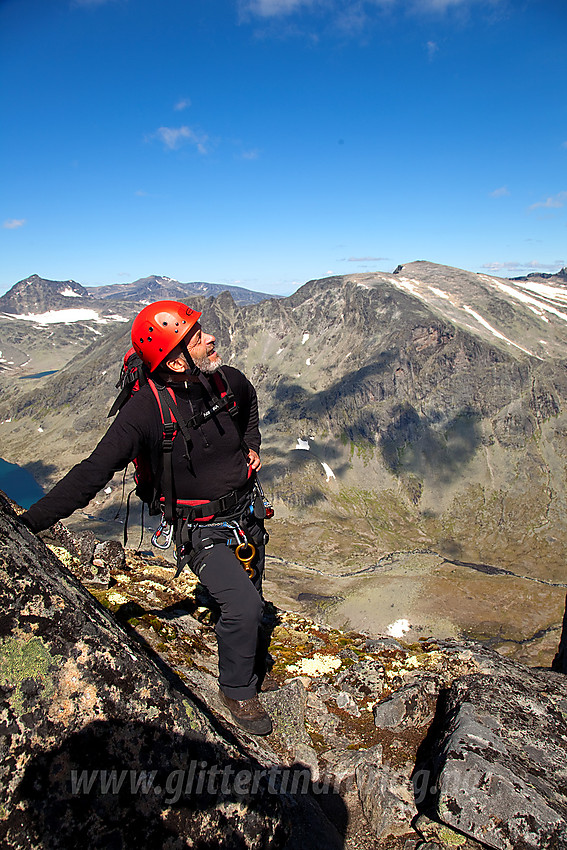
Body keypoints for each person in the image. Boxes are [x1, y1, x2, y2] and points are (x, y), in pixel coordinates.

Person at [21, 300, 273, 736]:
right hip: (203, 531)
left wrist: (252, 442)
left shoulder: (223, 381)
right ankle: (236, 689)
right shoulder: (144, 411)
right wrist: (27, 526)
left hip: (247, 514)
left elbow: (249, 402)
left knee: (249, 591)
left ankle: (221, 609)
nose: (210, 338)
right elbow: (91, 474)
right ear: (175, 358)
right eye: (197, 336)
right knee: (246, 606)